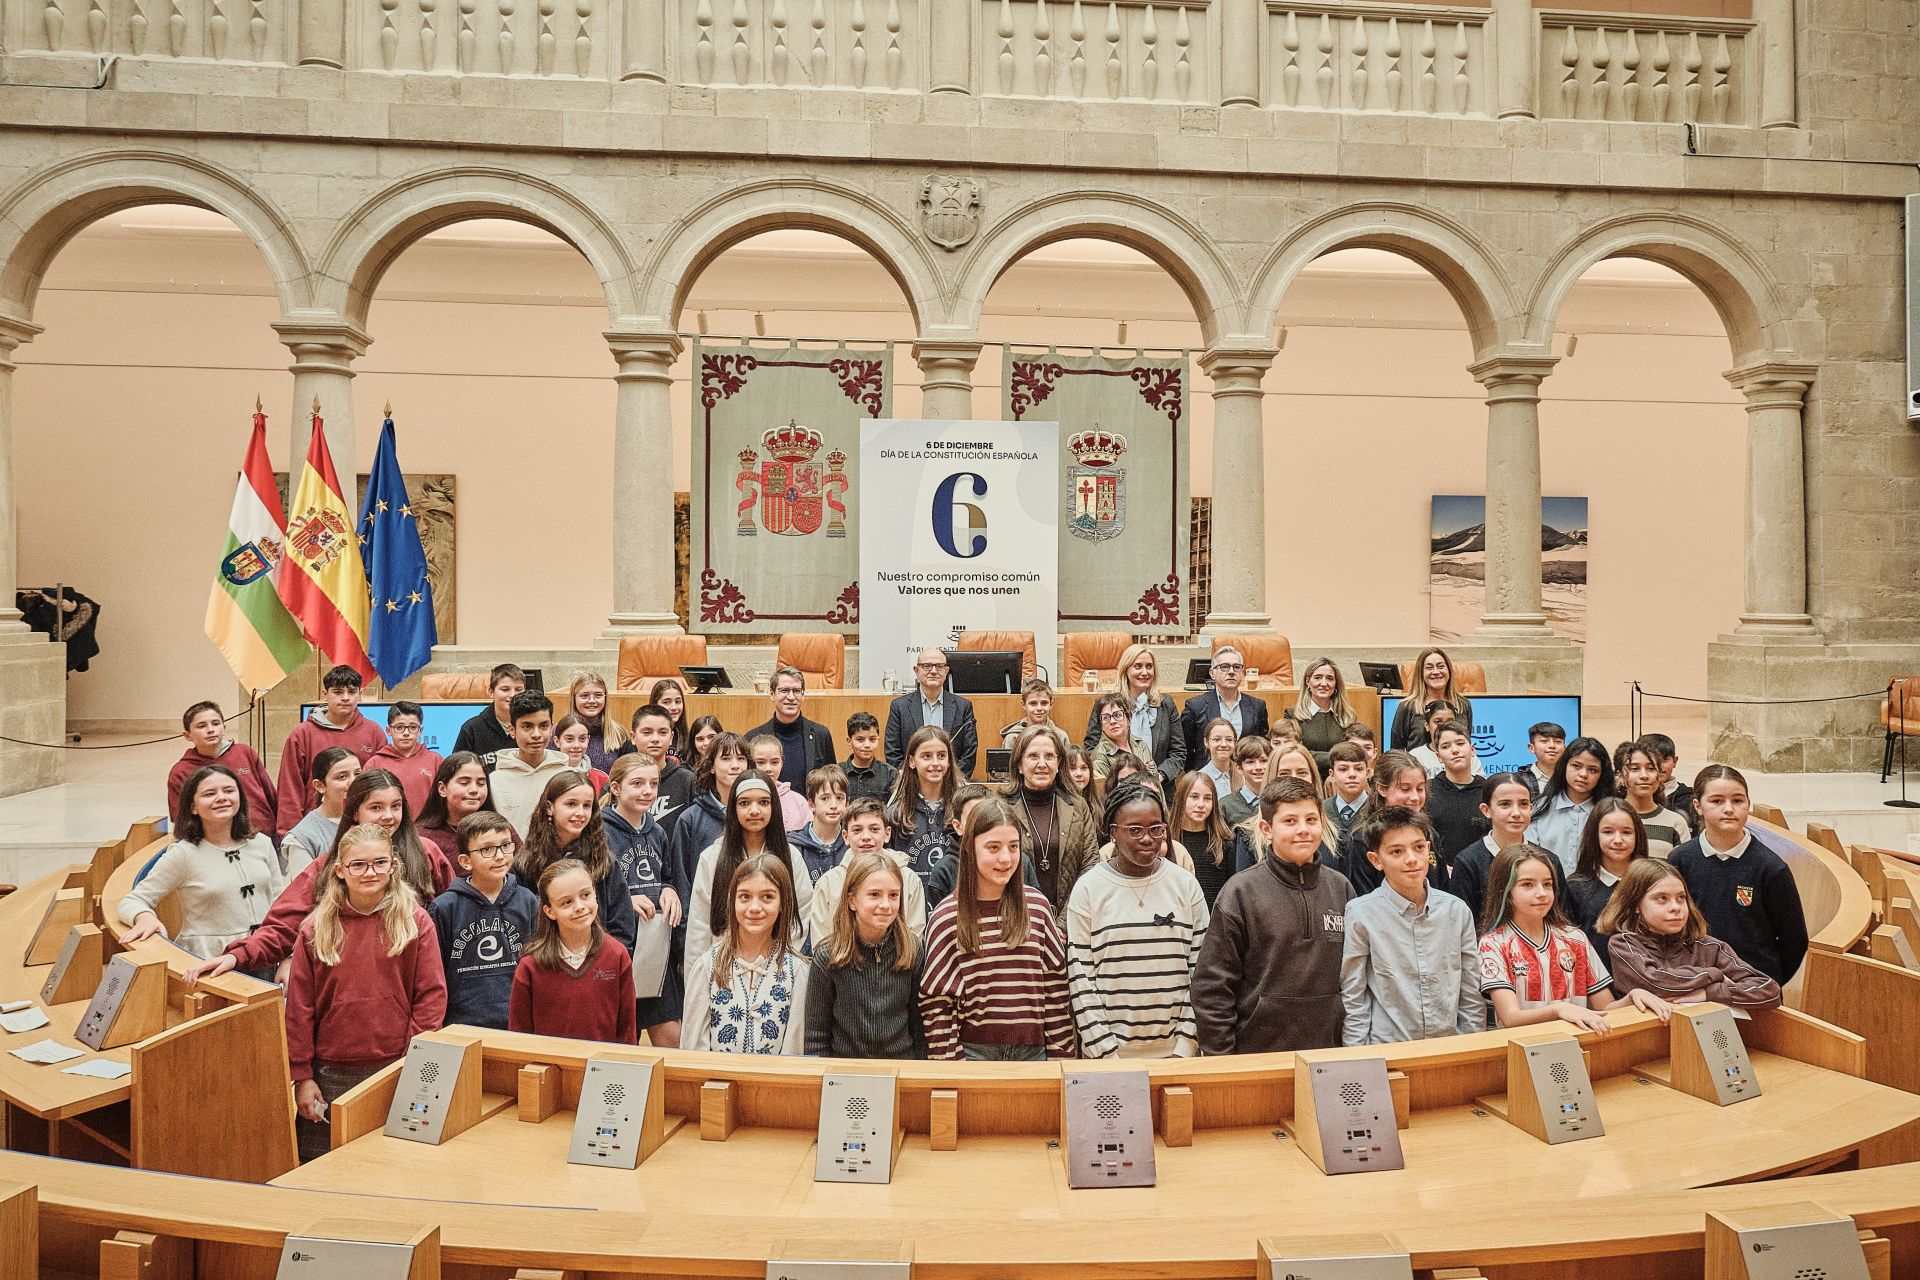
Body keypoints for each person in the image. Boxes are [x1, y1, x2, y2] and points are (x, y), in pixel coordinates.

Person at [188, 768, 447, 985]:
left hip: (414, 978)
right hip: (349, 981)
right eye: (376, 807)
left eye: (396, 806)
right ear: (355, 812)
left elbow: (451, 914)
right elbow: (283, 925)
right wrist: (238, 956)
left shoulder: (426, 853)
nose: (388, 816)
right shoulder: (329, 865)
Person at [285, 823, 445, 1162]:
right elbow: (299, 1010)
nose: (370, 872)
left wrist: (412, 1062)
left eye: (379, 863)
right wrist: (302, 1076)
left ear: (394, 865)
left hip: (396, 1066)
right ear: (340, 870)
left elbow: (430, 997)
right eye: (358, 864)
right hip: (329, 1072)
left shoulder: (415, 922)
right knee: (324, 1170)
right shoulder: (316, 929)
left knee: (394, 1167)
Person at [1192, 777, 1354, 1055]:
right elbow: (1211, 988)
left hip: (1330, 1055)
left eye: (1311, 820)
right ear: (1266, 829)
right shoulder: (1240, 892)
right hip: (1257, 1057)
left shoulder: (1341, 888)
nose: (1303, 830)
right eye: (1290, 821)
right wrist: (1223, 1060)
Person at [918, 798, 1076, 1060]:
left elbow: (1056, 990)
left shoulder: (1037, 908)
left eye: (1013, 847)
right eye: (993, 847)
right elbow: (937, 1004)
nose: (1005, 858)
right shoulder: (946, 917)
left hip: (1034, 1053)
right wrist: (950, 1067)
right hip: (973, 1054)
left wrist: (1062, 1058)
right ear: (970, 848)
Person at [1066, 779, 1208, 1058]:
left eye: (1156, 829)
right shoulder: (1088, 889)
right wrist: (1107, 1055)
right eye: (1135, 830)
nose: (1147, 839)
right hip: (1109, 1058)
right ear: (1113, 833)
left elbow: (1201, 970)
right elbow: (1081, 980)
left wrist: (1184, 1047)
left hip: (1177, 1055)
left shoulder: (1186, 885)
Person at [1477, 844, 1671, 1031]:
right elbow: (1510, 1017)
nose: (1542, 893)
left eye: (1547, 884)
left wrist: (1633, 997)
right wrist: (1558, 1010)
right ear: (1505, 891)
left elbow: (1605, 1009)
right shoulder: (1493, 943)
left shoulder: (1575, 938)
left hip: (1578, 1044)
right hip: (1523, 1047)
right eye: (1527, 885)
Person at [1340, 807, 1482, 1045]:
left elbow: (1470, 991)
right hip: (1388, 1047)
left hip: (1449, 1044)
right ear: (1376, 860)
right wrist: (1358, 1055)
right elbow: (1354, 996)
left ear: (1429, 849)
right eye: (1396, 851)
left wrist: (1473, 1045)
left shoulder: (1456, 911)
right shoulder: (1361, 914)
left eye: (1418, 848)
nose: (1411, 859)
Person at [119, 763, 286, 961]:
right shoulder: (183, 854)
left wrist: (287, 955)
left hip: (265, 954)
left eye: (229, 791)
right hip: (207, 960)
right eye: (209, 794)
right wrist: (144, 917)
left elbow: (281, 902)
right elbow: (132, 901)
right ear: (193, 807)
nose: (221, 798)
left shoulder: (262, 843)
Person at [1667, 764, 1808, 986]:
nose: (1728, 809)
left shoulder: (1771, 868)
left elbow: (1795, 940)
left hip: (1753, 985)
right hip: (1694, 982)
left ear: (1748, 805)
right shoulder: (1680, 860)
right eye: (1716, 801)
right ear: (1698, 806)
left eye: (1737, 800)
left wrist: (1767, 983)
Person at [1602, 860, 1784, 1011]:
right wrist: (1714, 973)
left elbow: (1769, 990)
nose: (1675, 907)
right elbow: (1656, 983)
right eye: (1662, 899)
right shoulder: (1623, 944)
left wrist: (1709, 993)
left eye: (1681, 898)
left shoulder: (1709, 946)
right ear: (1636, 905)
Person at [681, 851, 809, 1054]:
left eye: (767, 897)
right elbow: (693, 1050)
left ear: (783, 904)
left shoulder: (797, 972)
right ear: (733, 901)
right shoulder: (707, 967)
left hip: (775, 1075)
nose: (755, 907)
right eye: (745, 897)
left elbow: (794, 1051)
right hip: (715, 1075)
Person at [804, 852, 927, 1059]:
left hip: (901, 1065)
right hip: (846, 1069)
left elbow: (919, 1027)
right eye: (874, 895)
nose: (885, 905)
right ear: (852, 900)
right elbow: (816, 1036)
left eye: (893, 895)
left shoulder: (912, 949)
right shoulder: (827, 956)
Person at [685, 772, 814, 964]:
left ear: (774, 807)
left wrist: (776, 958)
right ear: (733, 808)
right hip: (724, 965)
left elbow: (802, 912)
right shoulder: (712, 857)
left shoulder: (791, 857)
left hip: (776, 965)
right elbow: (699, 925)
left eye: (763, 802)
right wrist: (696, 973)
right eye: (744, 803)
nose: (754, 810)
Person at [508, 856, 637, 1044]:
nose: (579, 907)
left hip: (601, 1062)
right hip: (549, 1062)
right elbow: (519, 1034)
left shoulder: (617, 955)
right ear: (549, 911)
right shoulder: (530, 965)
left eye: (585, 895)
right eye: (566, 902)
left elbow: (627, 1029)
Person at [601, 753, 683, 1047]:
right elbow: (592, 890)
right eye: (637, 783)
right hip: (620, 948)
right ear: (616, 788)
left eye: (653, 783)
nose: (647, 791)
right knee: (624, 1041)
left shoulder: (657, 831)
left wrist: (668, 890)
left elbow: (667, 876)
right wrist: (626, 901)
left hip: (655, 950)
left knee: (672, 1035)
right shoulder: (599, 832)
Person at [429, 811, 537, 1030]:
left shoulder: (527, 900)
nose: (499, 856)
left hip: (517, 1021)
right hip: (461, 1023)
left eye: (505, 845)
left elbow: (538, 962)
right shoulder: (445, 907)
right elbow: (434, 974)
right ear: (465, 861)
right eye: (487, 849)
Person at [515, 770, 639, 956]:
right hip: (545, 962)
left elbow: (622, 927)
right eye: (571, 804)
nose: (580, 813)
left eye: (587, 805)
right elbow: (520, 925)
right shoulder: (525, 863)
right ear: (549, 807)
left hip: (596, 963)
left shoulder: (603, 860)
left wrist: (608, 963)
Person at [273, 664, 388, 837]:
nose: (345, 698)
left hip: (363, 828)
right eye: (338, 692)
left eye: (352, 692)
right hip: (315, 828)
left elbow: (381, 785)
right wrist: (290, 834)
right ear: (324, 694)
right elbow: (290, 787)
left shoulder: (374, 732)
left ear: (360, 694)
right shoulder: (302, 734)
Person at [1000, 724, 1100, 913]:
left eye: (1049, 756)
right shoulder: (1001, 807)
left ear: (1059, 763)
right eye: (1033, 756)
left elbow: (1090, 865)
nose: (1042, 764)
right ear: (1019, 765)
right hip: (1016, 917)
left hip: (1071, 916)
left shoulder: (1077, 806)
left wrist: (1063, 922)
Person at [807, 796, 929, 944]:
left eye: (874, 829)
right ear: (845, 836)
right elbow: (821, 943)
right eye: (857, 830)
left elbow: (914, 938)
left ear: (887, 834)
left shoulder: (909, 880)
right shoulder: (828, 884)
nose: (866, 837)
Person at [665, 732, 749, 916]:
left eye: (741, 758)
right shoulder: (690, 819)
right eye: (726, 758)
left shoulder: (757, 816)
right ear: (711, 766)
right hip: (705, 919)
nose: (735, 765)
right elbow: (682, 882)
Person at [1445, 772, 1544, 926]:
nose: (1516, 813)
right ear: (1486, 810)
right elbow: (1460, 925)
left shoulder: (1546, 860)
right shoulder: (1468, 862)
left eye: (1523, 804)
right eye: (1505, 804)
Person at [167, 700, 276, 837]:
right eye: (201, 726)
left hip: (264, 835)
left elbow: (271, 795)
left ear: (224, 727)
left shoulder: (245, 753)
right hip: (216, 840)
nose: (210, 730)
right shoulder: (181, 771)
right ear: (188, 735)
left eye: (216, 723)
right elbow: (181, 817)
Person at [1081, 644, 1184, 784]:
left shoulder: (1166, 704)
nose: (1145, 672)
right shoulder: (1107, 705)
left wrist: (1158, 777)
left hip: (1159, 788)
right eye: (1138, 666)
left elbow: (1178, 752)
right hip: (1116, 788)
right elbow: (1091, 748)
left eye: (1149, 666)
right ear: (1126, 670)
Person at [1336, 751, 1432, 896]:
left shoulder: (1429, 833)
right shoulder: (1362, 840)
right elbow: (1362, 898)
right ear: (1382, 788)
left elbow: (1442, 889)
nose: (1415, 797)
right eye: (1405, 789)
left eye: (1420, 789)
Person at [1564, 798, 1647, 958]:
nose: (1618, 840)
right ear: (1594, 835)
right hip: (1593, 972)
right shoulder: (1575, 886)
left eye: (1627, 832)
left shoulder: (1650, 883)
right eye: (1608, 832)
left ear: (1638, 835)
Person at [1526, 736, 1615, 875]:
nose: (1583, 774)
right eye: (1576, 766)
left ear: (1602, 775)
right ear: (1564, 766)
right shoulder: (1541, 807)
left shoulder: (1610, 812)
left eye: (1593, 770)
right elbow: (1528, 857)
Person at [885, 648, 980, 778]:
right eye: (927, 666)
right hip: (911, 782)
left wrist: (952, 779)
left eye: (939, 666)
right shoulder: (900, 706)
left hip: (952, 782)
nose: (934, 671)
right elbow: (892, 752)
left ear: (946, 671)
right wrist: (910, 780)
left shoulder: (963, 706)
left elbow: (969, 753)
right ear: (917, 671)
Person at [488, 691, 568, 838]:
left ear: (551, 728)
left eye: (543, 726)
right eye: (527, 726)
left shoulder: (568, 776)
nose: (536, 734)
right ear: (512, 730)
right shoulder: (494, 782)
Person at [885, 725, 960, 881]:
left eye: (941, 756)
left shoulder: (961, 811)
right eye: (926, 756)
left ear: (949, 761)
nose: (935, 762)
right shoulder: (895, 815)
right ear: (912, 761)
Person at [747, 665, 837, 793]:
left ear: (803, 695)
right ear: (772, 694)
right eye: (784, 690)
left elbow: (832, 781)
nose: (791, 697)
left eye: (796, 691)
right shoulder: (752, 738)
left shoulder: (821, 734)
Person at [1179, 646, 1269, 765]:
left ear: (1242, 673)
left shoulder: (1257, 706)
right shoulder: (1195, 707)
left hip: (1245, 772)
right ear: (1212, 673)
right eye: (1224, 667)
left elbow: (1262, 746)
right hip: (1207, 774)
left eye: (1237, 667)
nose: (1231, 672)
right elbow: (1185, 749)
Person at [281, 747, 359, 875]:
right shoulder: (303, 837)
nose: (353, 782)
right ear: (320, 785)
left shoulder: (369, 818)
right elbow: (304, 886)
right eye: (342, 777)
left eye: (357, 774)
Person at [415, 752, 496, 870]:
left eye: (481, 783)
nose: (474, 790)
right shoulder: (422, 837)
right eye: (464, 783)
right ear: (442, 789)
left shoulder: (499, 829)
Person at [1422, 722, 1489, 864]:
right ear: (1438, 756)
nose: (1455, 750)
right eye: (1445, 746)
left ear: (1472, 749)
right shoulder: (1426, 790)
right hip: (1437, 872)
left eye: (1460, 743)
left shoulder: (1489, 791)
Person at [366, 700, 442, 818]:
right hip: (387, 825)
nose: (406, 733)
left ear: (420, 731)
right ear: (389, 730)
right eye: (399, 727)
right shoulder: (374, 764)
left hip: (428, 827)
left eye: (413, 727)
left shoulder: (436, 761)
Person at [1170, 769, 1234, 909]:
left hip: (1215, 916)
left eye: (1207, 798)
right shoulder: (1168, 840)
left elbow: (1231, 890)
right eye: (1194, 797)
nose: (1201, 804)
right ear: (1181, 798)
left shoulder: (1224, 841)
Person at [1388, 648, 1473, 752]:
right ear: (1421, 673)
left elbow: (1466, 743)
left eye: (1441, 666)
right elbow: (1396, 751)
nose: (1436, 672)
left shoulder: (1463, 705)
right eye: (1429, 668)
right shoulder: (1407, 706)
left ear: (1449, 670)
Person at [1618, 737, 1692, 858]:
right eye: (1634, 769)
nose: (1644, 775)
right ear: (1620, 775)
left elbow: (1684, 866)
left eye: (1651, 768)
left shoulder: (1676, 822)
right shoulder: (1606, 817)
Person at [627, 705, 693, 832]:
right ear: (633, 737)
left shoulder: (688, 780)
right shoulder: (621, 780)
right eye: (647, 732)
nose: (655, 739)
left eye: (662, 732)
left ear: (671, 737)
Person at [1285, 657, 1356, 771]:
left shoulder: (1348, 717)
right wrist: (1337, 758)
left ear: (1336, 684)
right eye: (1318, 677)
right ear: (1307, 682)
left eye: (1330, 678)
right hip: (1306, 776)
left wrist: (1312, 754)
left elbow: (1353, 753)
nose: (1324, 683)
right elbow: (1293, 753)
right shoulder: (1292, 716)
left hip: (1340, 777)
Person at [788, 764, 850, 886]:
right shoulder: (794, 847)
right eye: (825, 798)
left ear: (847, 804)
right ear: (811, 804)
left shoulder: (852, 844)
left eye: (839, 798)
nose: (833, 805)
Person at [452, 663, 524, 765]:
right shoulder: (471, 729)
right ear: (491, 692)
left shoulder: (533, 726)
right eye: (505, 689)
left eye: (518, 690)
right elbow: (456, 769)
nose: (513, 695)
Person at [746, 733, 814, 832]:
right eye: (760, 762)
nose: (768, 769)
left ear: (782, 763)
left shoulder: (799, 802)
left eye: (774, 762)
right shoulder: (742, 798)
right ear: (749, 763)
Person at [563, 672, 627, 773]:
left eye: (598, 695)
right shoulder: (559, 732)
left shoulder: (619, 733)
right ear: (574, 699)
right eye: (584, 696)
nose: (592, 700)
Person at [1089, 693, 1152, 784]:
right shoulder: (1100, 757)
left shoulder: (1141, 745)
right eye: (1106, 718)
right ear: (1101, 725)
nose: (1112, 721)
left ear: (1129, 718)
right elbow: (1106, 791)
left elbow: (1155, 782)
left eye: (1117, 715)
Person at [840, 711, 897, 803]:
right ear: (849, 741)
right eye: (860, 739)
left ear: (878, 740)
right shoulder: (838, 773)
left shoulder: (890, 774)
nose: (867, 745)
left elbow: (895, 808)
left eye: (872, 739)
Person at [551, 714, 611, 797]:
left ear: (588, 740)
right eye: (569, 739)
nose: (576, 745)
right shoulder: (546, 774)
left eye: (582, 739)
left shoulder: (601, 779)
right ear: (557, 741)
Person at [1002, 677, 1068, 751]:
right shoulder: (1013, 737)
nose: (1039, 708)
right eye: (1033, 703)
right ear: (1024, 705)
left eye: (1044, 703)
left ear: (1051, 704)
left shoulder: (1061, 736)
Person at [1323, 740, 1371, 842]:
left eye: (1358, 769)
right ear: (1332, 774)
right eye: (1343, 769)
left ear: (1367, 773)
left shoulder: (1378, 810)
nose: (1352, 775)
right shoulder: (1322, 810)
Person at [1220, 735, 1270, 830]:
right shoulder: (1225, 806)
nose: (1258, 767)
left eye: (1264, 761)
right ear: (1239, 768)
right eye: (1250, 762)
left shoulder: (1279, 802)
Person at [1642, 733, 1692, 819]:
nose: (1659, 766)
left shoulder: (1688, 799)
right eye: (1651, 761)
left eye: (1664, 759)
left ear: (1675, 761)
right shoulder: (1629, 796)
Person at [648, 677, 690, 764]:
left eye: (678, 702)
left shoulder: (689, 737)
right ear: (655, 705)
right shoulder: (646, 736)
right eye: (666, 702)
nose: (674, 707)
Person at [1522, 722, 1566, 800]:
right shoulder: (1519, 780)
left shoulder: (1571, 778)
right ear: (1532, 748)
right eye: (1544, 741)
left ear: (1565, 748)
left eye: (1557, 742)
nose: (1552, 746)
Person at [1195, 717, 1237, 798]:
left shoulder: (1244, 775)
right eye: (1217, 739)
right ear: (1206, 742)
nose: (1224, 744)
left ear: (1235, 743)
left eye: (1229, 740)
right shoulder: (1198, 780)